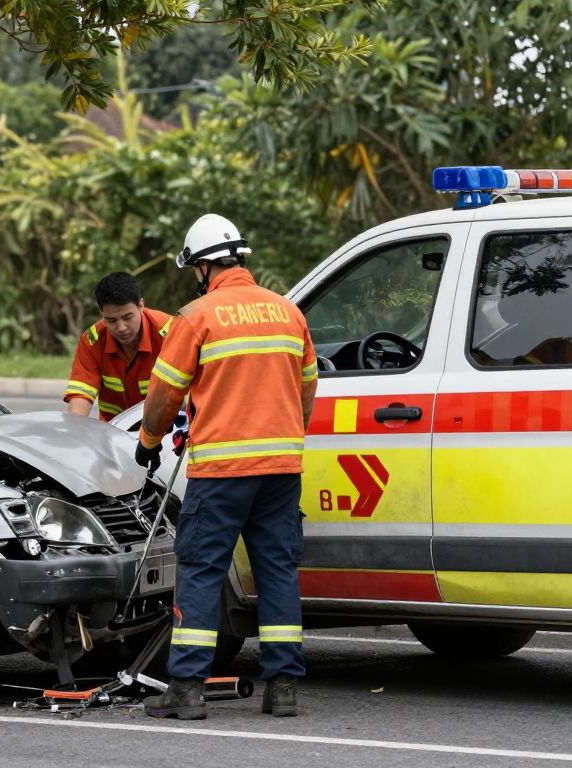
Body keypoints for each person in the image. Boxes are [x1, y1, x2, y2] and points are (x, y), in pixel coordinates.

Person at [134, 214, 318, 720]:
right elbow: (306, 392)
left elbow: (165, 393)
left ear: (201, 266)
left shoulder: (197, 316)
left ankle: (187, 690)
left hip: (220, 473)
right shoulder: (288, 313)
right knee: (278, 571)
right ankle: (283, 688)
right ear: (240, 259)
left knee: (200, 571)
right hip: (281, 470)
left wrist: (149, 441)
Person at [64, 272, 171, 421]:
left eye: (127, 317)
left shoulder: (170, 333)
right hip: (113, 433)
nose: (121, 328)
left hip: (165, 430)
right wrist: (74, 433)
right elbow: (80, 397)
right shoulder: (92, 341)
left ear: (141, 305)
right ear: (102, 314)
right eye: (111, 320)